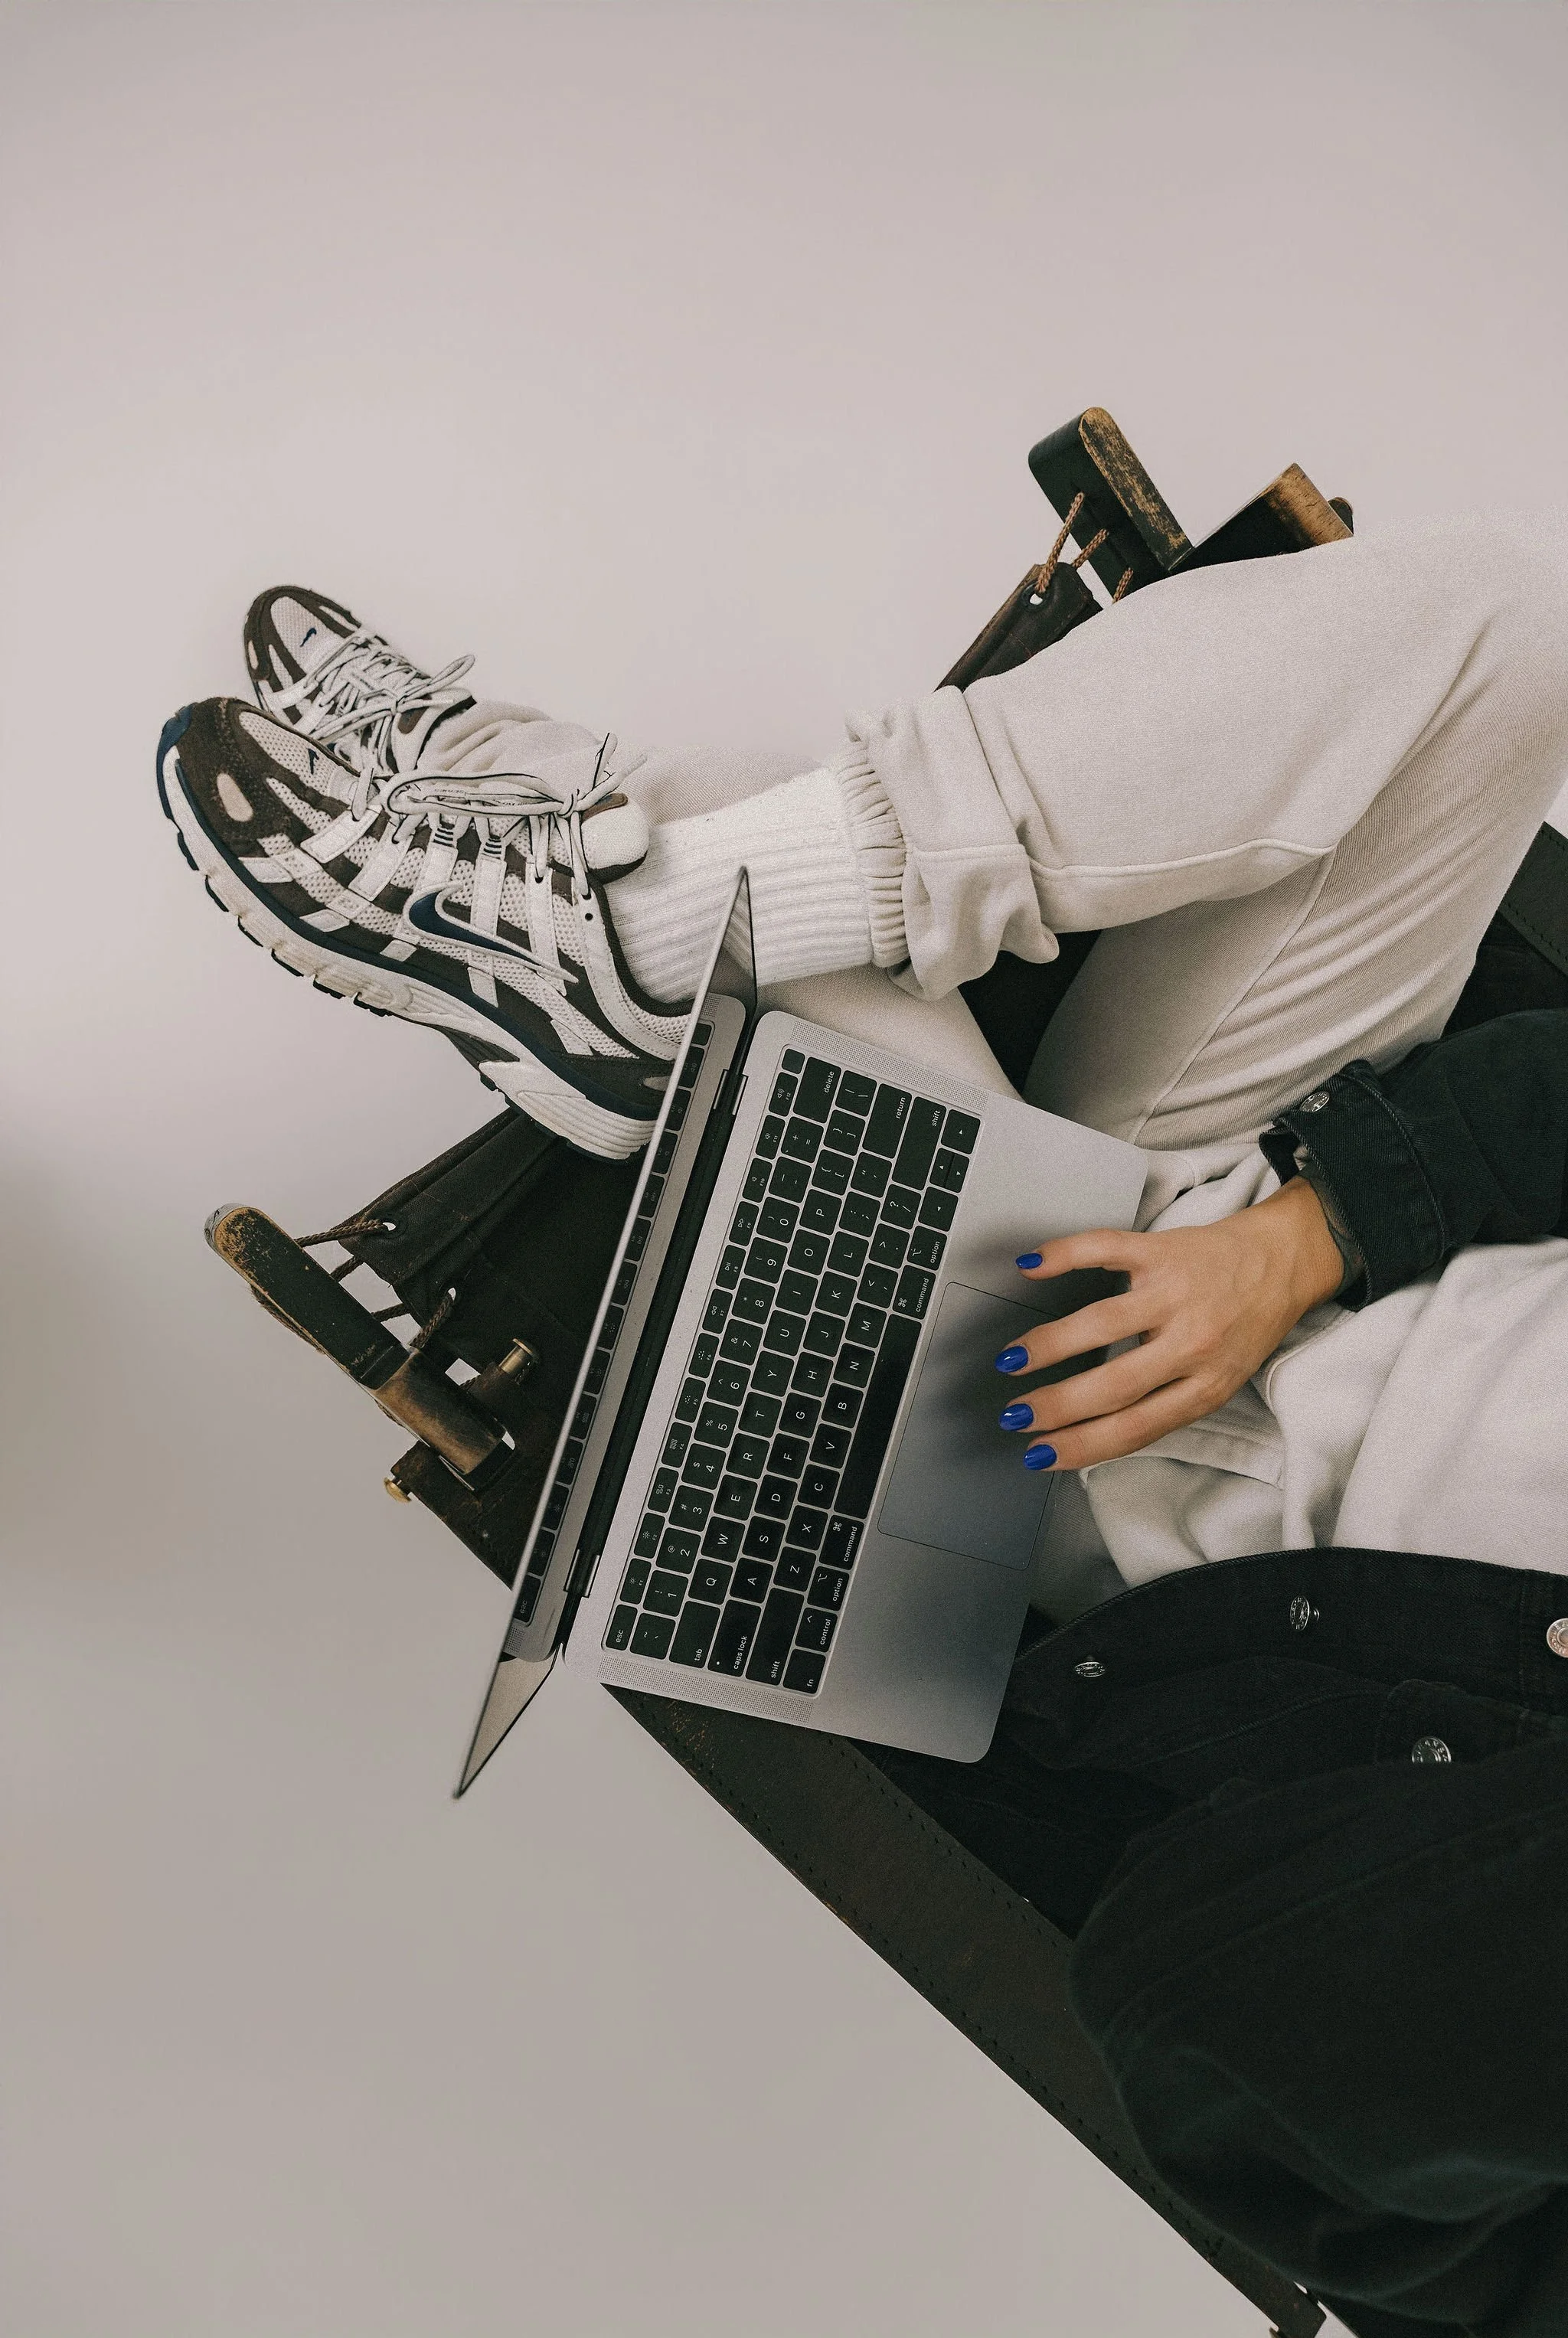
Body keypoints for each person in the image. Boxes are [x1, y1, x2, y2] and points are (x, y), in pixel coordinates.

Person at [161, 512, 1568, 1602]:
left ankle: (525, 816)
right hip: (1327, 1210)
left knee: (775, 944)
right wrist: (1314, 1234)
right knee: (1513, 619)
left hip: (1137, 1446)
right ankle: (598, 917)